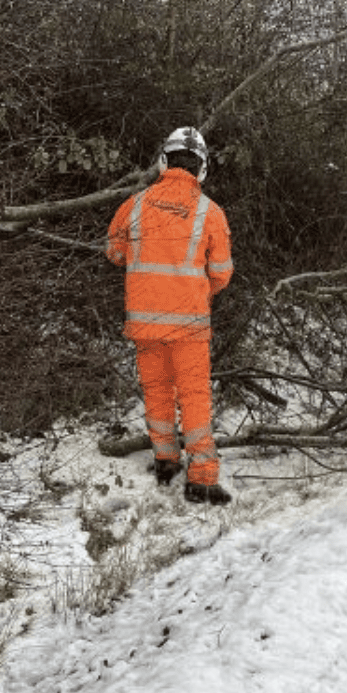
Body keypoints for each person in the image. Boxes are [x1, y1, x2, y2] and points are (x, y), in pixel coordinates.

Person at [106, 127, 234, 505]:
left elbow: (114, 252)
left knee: (157, 392)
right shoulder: (210, 213)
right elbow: (222, 273)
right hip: (190, 325)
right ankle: (203, 478)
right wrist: (194, 291)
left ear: (165, 160)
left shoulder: (135, 204)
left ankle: (166, 461)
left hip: (144, 324)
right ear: (202, 169)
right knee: (194, 397)